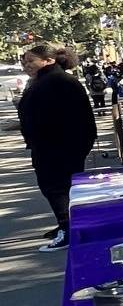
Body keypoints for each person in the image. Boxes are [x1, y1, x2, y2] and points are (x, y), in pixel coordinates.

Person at [18, 45, 97, 252]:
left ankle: (68, 229)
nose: (27, 66)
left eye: (31, 61)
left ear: (48, 60)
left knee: (56, 187)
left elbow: (53, 116)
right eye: (25, 62)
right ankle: (67, 223)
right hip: (55, 144)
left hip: (58, 145)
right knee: (60, 187)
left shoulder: (55, 81)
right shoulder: (48, 80)